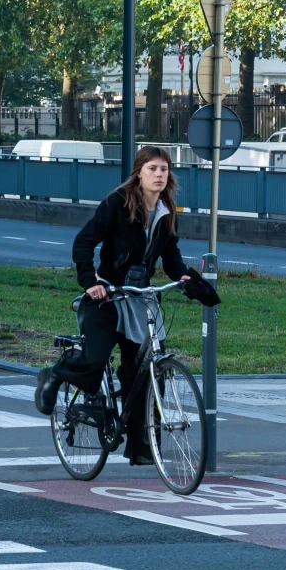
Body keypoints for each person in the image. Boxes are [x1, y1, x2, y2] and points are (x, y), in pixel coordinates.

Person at [39, 145, 218, 464]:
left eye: (164, 169)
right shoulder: (118, 202)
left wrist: (186, 279)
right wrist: (90, 282)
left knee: (146, 371)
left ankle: (142, 446)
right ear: (139, 172)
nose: (159, 174)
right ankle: (55, 375)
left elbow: (170, 256)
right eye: (152, 168)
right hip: (107, 295)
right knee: (95, 362)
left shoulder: (166, 210)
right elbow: (84, 241)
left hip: (140, 298)